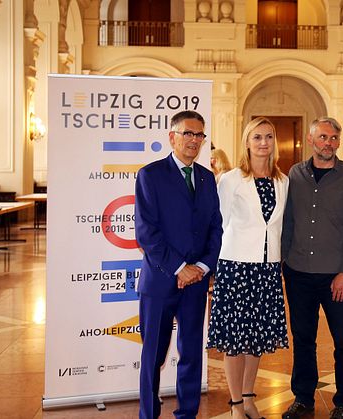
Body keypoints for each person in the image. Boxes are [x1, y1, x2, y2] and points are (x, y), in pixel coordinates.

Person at [135, 110, 223, 419]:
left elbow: (216, 228)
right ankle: (149, 413)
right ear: (172, 137)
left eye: (199, 135)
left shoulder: (207, 177)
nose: (194, 140)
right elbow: (147, 232)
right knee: (154, 355)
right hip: (160, 282)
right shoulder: (150, 175)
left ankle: (187, 412)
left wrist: (200, 266)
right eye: (187, 133)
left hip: (196, 284)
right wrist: (179, 268)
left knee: (191, 352)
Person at [281, 117, 343, 419]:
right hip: (298, 271)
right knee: (303, 339)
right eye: (323, 137)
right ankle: (303, 398)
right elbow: (288, 220)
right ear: (311, 139)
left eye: (334, 138)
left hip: (336, 275)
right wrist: (283, 261)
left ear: (338, 142)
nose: (328, 143)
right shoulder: (295, 174)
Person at [207, 117, 289, 419]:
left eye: (269, 136)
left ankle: (250, 398)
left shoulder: (283, 180)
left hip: (267, 269)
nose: (264, 143)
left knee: (257, 339)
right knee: (235, 339)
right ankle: (236, 405)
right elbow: (220, 223)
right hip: (236, 266)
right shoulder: (231, 179)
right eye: (257, 137)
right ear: (247, 142)